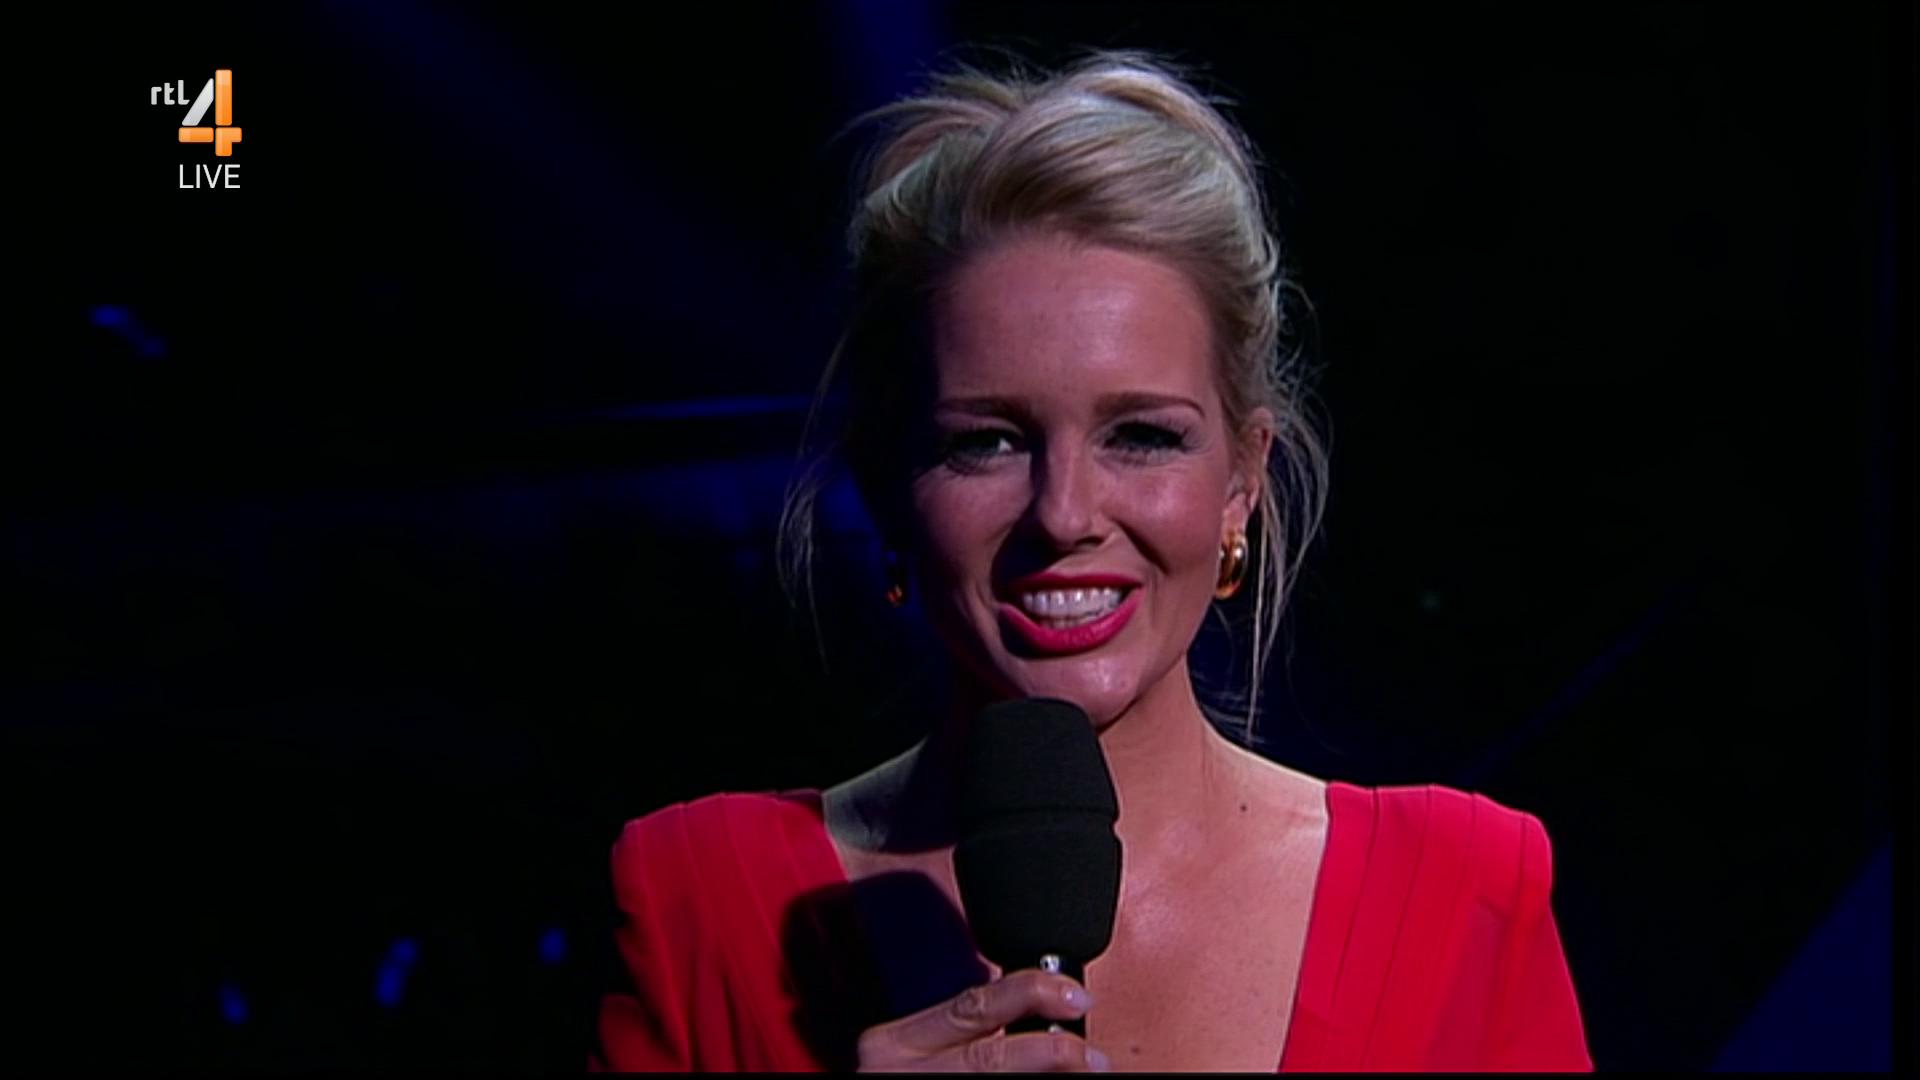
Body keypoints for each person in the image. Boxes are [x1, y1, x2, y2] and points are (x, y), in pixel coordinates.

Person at [591, 49, 1593, 1073]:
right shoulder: (696, 907)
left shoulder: (1467, 891)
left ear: (1242, 481)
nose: (1064, 514)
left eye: (1143, 437)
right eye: (986, 442)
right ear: (886, 485)